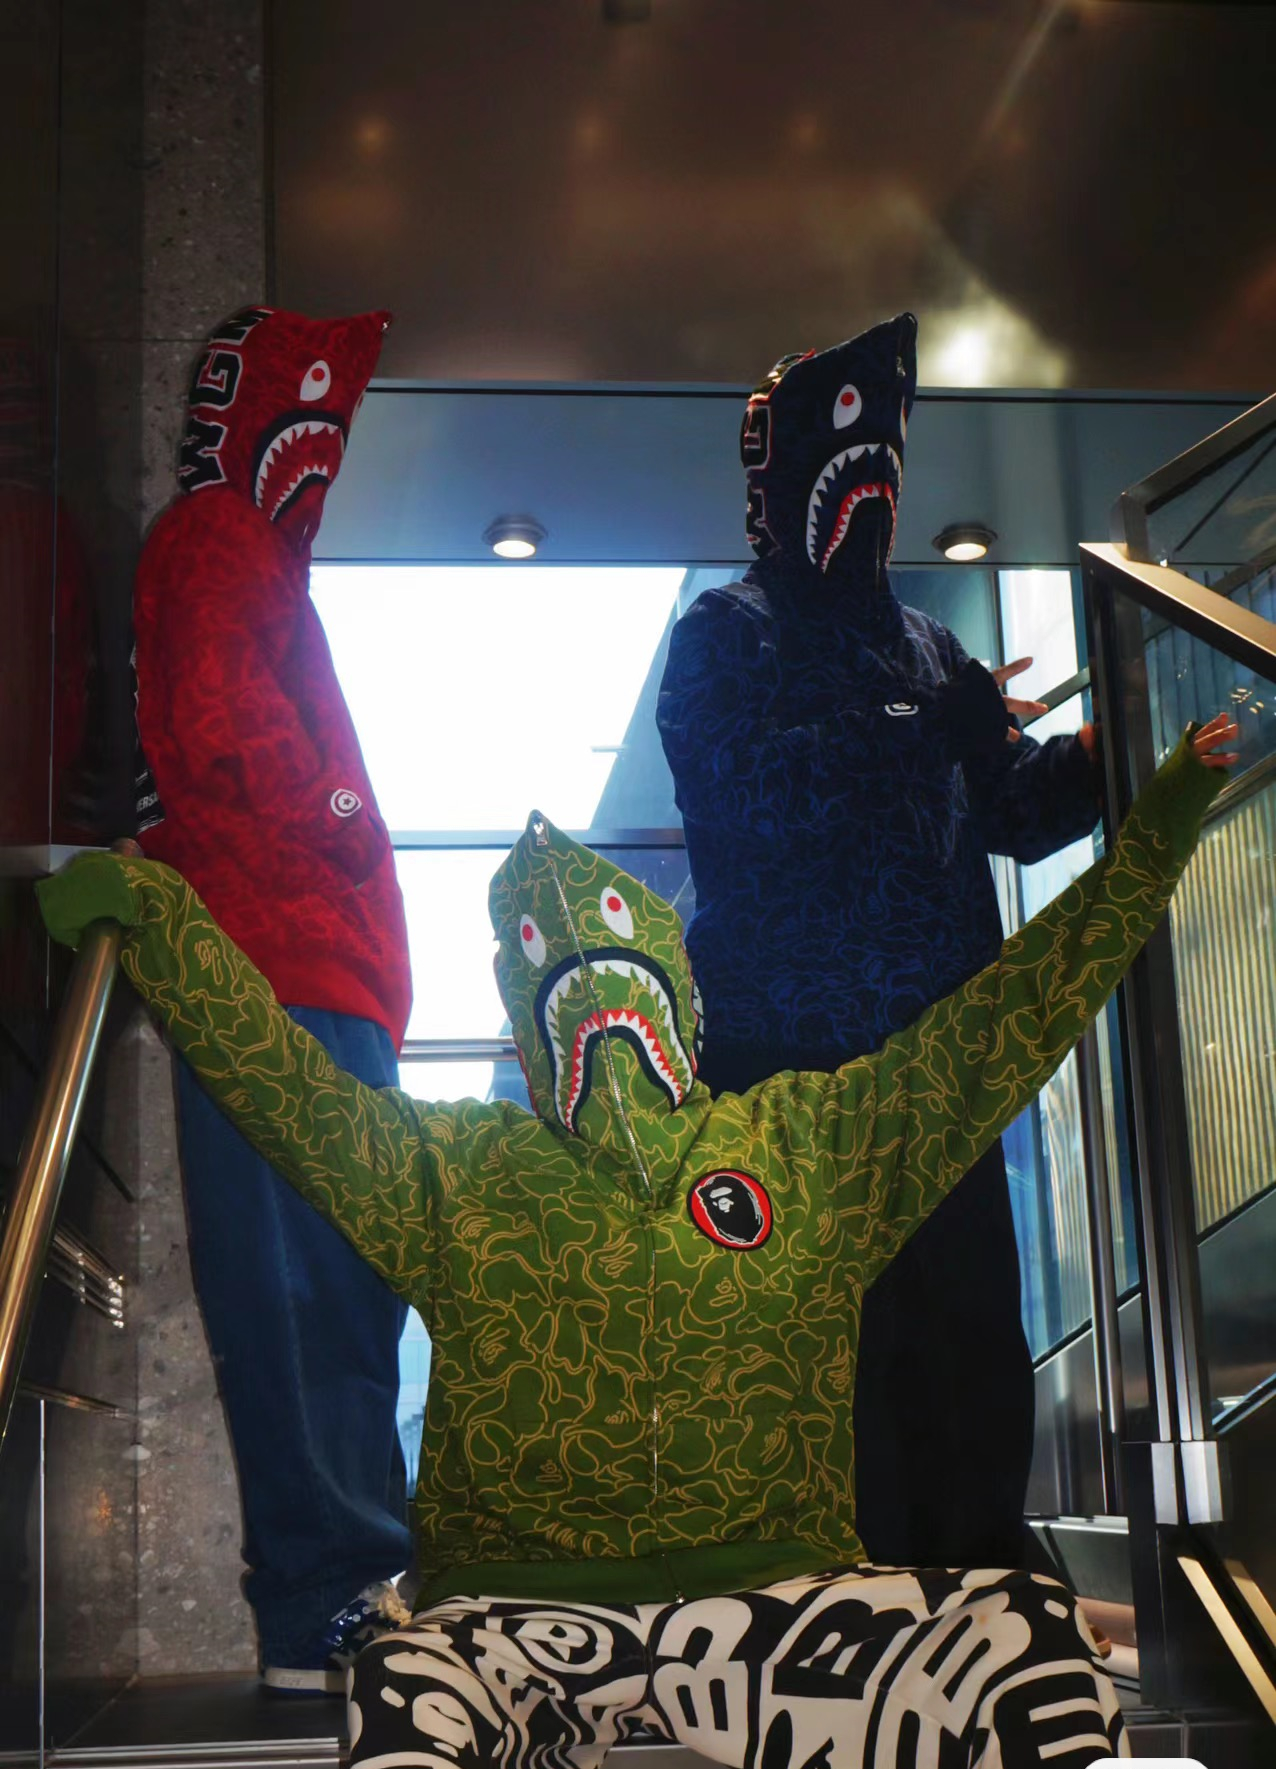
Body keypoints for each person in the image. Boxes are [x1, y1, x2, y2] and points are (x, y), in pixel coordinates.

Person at [38, 714, 1235, 1767]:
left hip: (781, 1606)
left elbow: (1012, 1014)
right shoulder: (456, 1166)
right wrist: (159, 921)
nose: (577, 958)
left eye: (614, 931)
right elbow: (286, 1088)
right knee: (405, 1684)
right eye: (538, 952)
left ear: (678, 981)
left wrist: (1160, 824)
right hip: (516, 1620)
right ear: (519, 1020)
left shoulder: (807, 1142)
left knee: (1024, 1638)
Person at [656, 312, 1102, 1569]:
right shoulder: (726, 630)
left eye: (889, 454)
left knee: (964, 1325)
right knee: (828, 1337)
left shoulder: (927, 642)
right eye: (848, 445)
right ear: (777, 469)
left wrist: (1097, 757)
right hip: (786, 1069)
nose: (875, 481)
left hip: (938, 1064)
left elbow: (1011, 814)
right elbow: (744, 797)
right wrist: (919, 723)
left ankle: (977, 1571)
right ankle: (834, 1574)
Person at [131, 304, 414, 1690]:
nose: (324, 443)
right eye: (309, 402)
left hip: (315, 972)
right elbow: (217, 720)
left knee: (343, 1295)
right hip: (276, 968)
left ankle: (349, 1586)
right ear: (237, 402)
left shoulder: (249, 556)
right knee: (302, 1293)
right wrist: (341, 813)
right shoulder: (214, 538)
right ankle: (324, 1605)